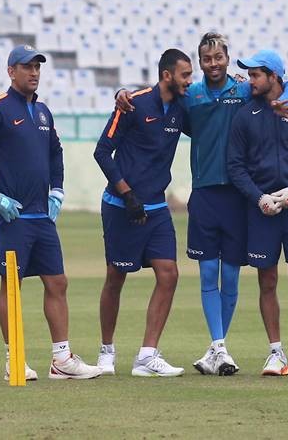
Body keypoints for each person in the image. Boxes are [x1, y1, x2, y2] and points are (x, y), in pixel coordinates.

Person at [116, 32, 288, 376]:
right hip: (204, 193)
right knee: (207, 273)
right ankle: (219, 347)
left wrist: (285, 99)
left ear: (228, 59)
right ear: (200, 61)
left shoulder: (243, 90)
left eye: (219, 57)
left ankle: (218, 348)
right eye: (206, 59)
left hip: (237, 195)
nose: (213, 64)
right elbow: (156, 93)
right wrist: (122, 93)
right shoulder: (191, 95)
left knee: (230, 277)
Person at [0, 44, 102, 381]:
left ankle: (62, 360)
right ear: (11, 71)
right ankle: (15, 358)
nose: (34, 72)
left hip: (43, 216)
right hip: (13, 218)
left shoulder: (43, 112)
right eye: (27, 67)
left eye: (38, 67)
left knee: (58, 282)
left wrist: (58, 189)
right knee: (12, 285)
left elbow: (56, 153)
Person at [93, 48, 193, 377]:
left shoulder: (182, 107)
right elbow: (102, 152)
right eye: (184, 75)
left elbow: (212, 114)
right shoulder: (133, 104)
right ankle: (106, 351)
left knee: (169, 274)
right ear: (166, 75)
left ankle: (147, 356)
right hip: (121, 206)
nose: (189, 81)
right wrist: (127, 194)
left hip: (157, 207)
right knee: (115, 277)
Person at [227, 49, 288, 378]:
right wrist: (259, 198)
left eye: (256, 75)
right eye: (249, 75)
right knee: (266, 281)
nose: (251, 81)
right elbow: (235, 166)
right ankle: (275, 354)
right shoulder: (245, 115)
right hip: (261, 211)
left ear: (274, 76)